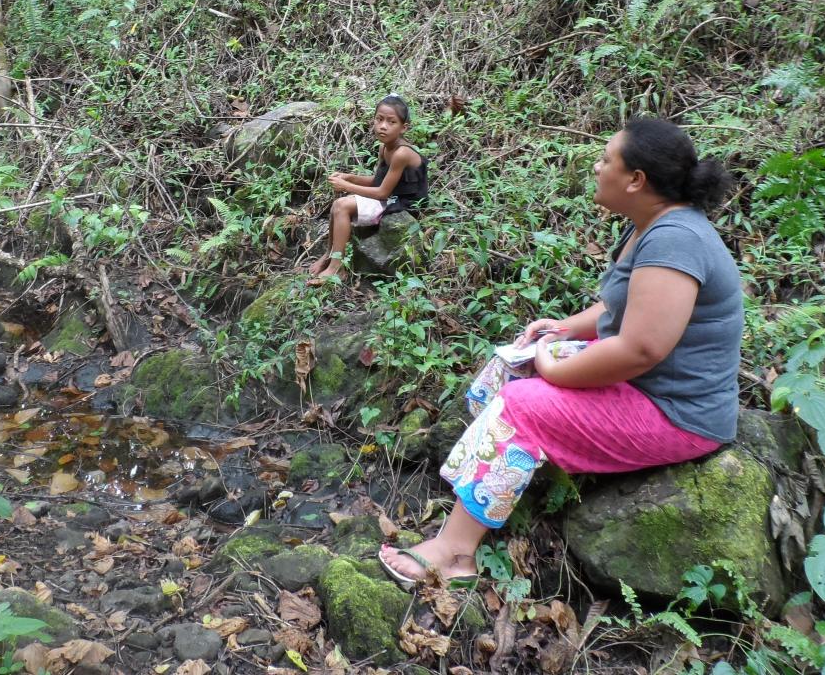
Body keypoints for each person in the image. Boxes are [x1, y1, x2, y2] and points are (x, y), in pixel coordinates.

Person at [378, 117, 741, 586]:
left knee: (523, 405)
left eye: (606, 159)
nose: (596, 166)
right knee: (511, 364)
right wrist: (563, 329)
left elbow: (640, 349)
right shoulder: (652, 224)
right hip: (645, 387)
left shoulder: (675, 239)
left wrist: (553, 368)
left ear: (636, 180)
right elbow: (623, 307)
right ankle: (492, 487)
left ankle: (454, 554)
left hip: (676, 412)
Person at [305, 95, 428, 285]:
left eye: (391, 121)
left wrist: (346, 186)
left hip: (404, 204)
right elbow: (378, 181)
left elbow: (382, 193)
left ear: (403, 128)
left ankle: (337, 268)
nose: (383, 126)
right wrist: (349, 177)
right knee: (339, 205)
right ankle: (329, 255)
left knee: (342, 205)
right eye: (379, 119)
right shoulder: (385, 148)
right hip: (391, 197)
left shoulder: (402, 153)